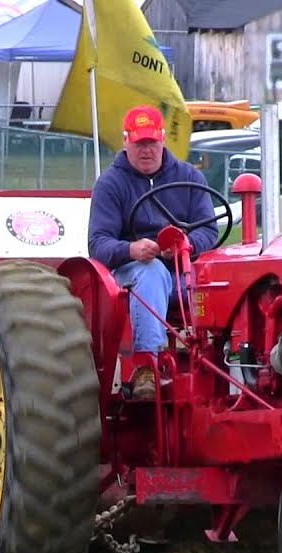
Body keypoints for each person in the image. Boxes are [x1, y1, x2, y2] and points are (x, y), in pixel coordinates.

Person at [88, 105, 222, 400]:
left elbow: (209, 232)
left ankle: (229, 362)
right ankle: (146, 366)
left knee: (222, 281)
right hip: (132, 273)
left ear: (162, 140)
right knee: (152, 273)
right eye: (139, 143)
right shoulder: (111, 184)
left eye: (151, 142)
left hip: (184, 270)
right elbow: (98, 242)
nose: (146, 150)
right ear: (126, 142)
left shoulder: (188, 177)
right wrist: (131, 249)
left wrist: (186, 244)